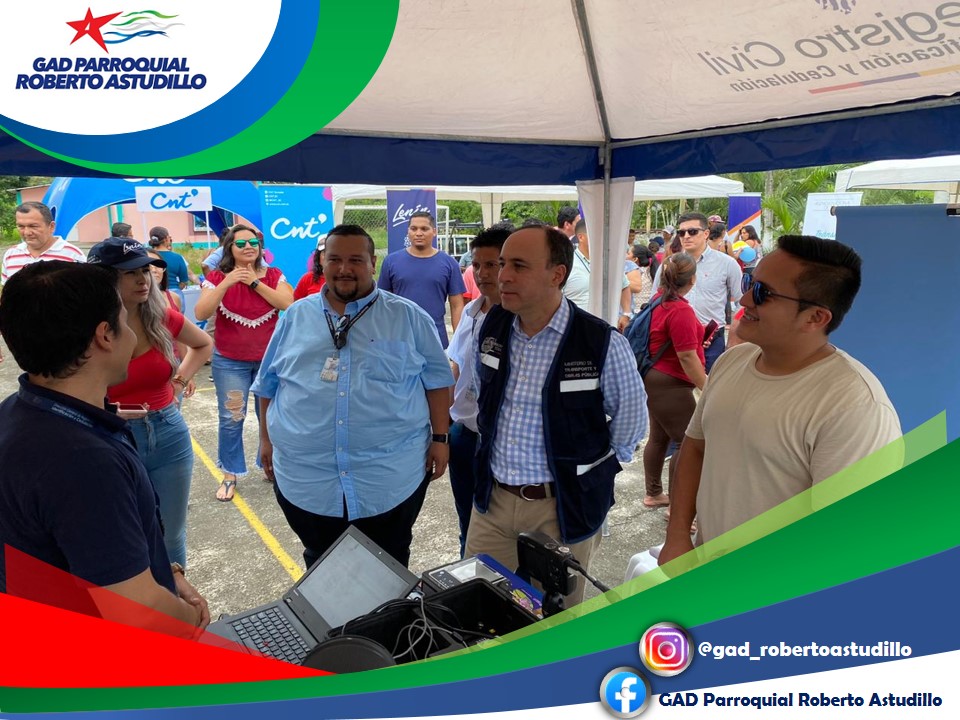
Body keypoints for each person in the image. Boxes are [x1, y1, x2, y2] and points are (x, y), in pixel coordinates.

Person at [659, 236, 902, 566]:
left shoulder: (856, 407)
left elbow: (846, 541)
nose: (745, 299)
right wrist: (677, 535)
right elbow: (695, 449)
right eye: (750, 283)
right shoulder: (733, 361)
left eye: (762, 293)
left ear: (815, 318)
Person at [0, 261, 208, 635]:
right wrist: (190, 620)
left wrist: (169, 572)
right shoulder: (83, 463)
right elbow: (141, 614)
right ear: (104, 336)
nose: (131, 334)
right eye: (124, 322)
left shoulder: (19, 414)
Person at [252, 225, 453, 568]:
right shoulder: (296, 316)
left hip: (389, 479)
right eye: (335, 259)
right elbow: (268, 384)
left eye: (356, 260)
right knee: (321, 566)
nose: (344, 269)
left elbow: (437, 382)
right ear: (322, 262)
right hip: (308, 480)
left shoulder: (408, 317)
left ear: (373, 263)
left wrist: (440, 439)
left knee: (388, 566)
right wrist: (265, 440)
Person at [465, 226, 647, 605]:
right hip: (492, 502)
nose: (503, 276)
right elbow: (484, 399)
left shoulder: (600, 342)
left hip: (561, 509)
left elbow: (631, 422)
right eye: (502, 264)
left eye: (518, 266)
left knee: (556, 619)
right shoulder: (492, 326)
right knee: (474, 607)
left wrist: (591, 474)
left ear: (557, 274)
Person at [87, 238, 213, 567]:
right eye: (130, 273)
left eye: (145, 270)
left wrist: (178, 383)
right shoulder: (82, 328)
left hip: (167, 432)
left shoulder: (160, 316)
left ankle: (173, 596)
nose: (143, 279)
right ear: (103, 279)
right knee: (118, 535)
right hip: (108, 438)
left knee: (170, 535)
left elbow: (203, 344)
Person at [194, 225, 294, 501]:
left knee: (271, 417)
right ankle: (230, 473)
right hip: (230, 362)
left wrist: (254, 282)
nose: (249, 247)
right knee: (232, 417)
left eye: (253, 242)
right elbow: (201, 312)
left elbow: (288, 303)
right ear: (229, 248)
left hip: (268, 361)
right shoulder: (216, 277)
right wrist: (227, 282)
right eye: (241, 244)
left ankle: (269, 465)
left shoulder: (273, 275)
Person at [446, 225, 511, 556]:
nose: (483, 273)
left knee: (501, 528)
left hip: (499, 442)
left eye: (492, 265)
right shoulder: (471, 313)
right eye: (477, 265)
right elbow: (455, 366)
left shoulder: (520, 320)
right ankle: (468, 571)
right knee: (467, 523)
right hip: (463, 432)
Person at [641, 253, 706, 510]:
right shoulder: (680, 309)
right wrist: (707, 387)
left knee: (659, 438)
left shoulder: (659, 301)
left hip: (654, 378)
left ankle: (654, 493)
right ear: (692, 279)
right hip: (670, 382)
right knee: (688, 443)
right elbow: (687, 357)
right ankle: (678, 507)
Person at [652, 212, 741, 372]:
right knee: (679, 385)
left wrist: (734, 340)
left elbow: (742, 302)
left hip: (712, 340)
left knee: (710, 386)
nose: (686, 236)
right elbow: (655, 301)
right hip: (674, 338)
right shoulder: (669, 264)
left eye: (692, 231)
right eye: (681, 232)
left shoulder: (727, 263)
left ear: (706, 233)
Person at [378, 211, 466, 348]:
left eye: (424, 229)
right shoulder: (391, 261)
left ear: (434, 231)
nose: (418, 233)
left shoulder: (449, 263)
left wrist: (458, 345)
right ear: (408, 231)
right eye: (414, 229)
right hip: (400, 341)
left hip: (436, 339)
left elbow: (457, 306)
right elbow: (382, 304)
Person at [564, 220, 633, 331]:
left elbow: (624, 285)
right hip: (578, 329)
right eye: (596, 234)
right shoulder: (568, 264)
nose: (601, 238)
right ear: (581, 237)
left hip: (608, 328)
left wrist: (626, 313)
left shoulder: (609, 261)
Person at [2, 202, 85, 286]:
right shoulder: (11, 255)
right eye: (21, 226)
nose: (27, 232)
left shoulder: (73, 255)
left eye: (33, 226)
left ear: (51, 226)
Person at [148, 227, 198, 304]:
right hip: (174, 292)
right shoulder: (177, 257)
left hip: (152, 293)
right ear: (166, 239)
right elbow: (184, 281)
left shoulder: (146, 256)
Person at [293, 236, 326, 301]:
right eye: (324, 252)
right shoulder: (307, 278)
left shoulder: (344, 278)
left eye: (332, 253)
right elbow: (296, 304)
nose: (328, 257)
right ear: (318, 258)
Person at [627, 244, 658, 311]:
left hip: (636, 311)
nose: (626, 256)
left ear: (635, 259)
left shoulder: (637, 273)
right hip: (647, 311)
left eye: (628, 253)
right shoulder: (651, 271)